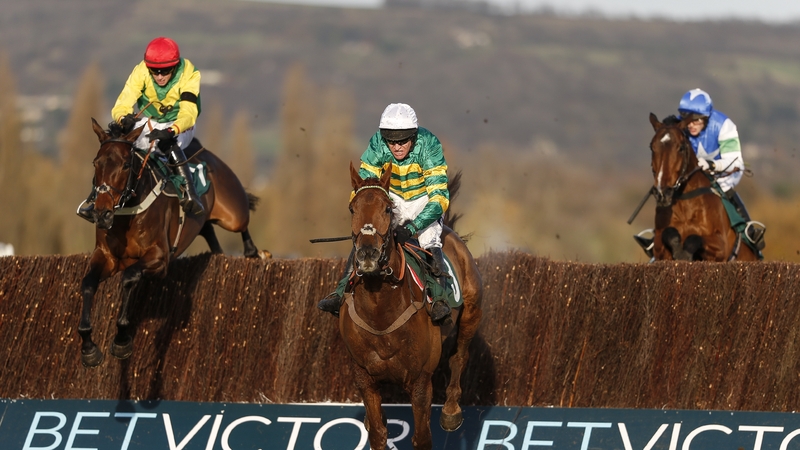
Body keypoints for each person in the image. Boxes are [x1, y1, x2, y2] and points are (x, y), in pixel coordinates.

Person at [318, 103, 452, 323]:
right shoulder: (377, 144)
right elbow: (363, 188)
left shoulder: (430, 145)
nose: (397, 147)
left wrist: (411, 229)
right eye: (392, 141)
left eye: (403, 141)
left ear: (414, 136)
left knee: (430, 240)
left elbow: (439, 199)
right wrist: (362, 216)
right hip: (393, 199)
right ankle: (340, 292)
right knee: (365, 238)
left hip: (424, 199)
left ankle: (439, 300)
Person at [77, 36, 204, 222]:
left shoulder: (189, 73)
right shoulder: (141, 71)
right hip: (150, 121)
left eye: (165, 71)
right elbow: (123, 102)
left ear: (175, 66)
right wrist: (124, 118)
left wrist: (171, 130)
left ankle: (191, 195)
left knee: (167, 143)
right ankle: (95, 199)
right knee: (116, 143)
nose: (159, 76)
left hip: (180, 124)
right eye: (155, 71)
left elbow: (189, 112)